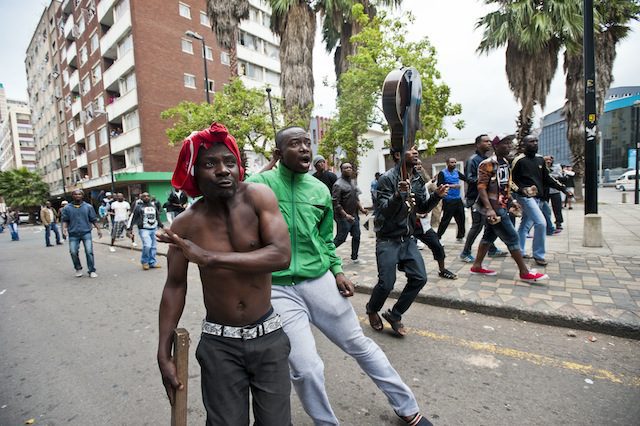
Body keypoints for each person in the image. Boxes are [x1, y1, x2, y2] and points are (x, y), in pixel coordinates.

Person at [248, 127, 434, 426]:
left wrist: (337, 271)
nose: (305, 149)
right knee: (306, 368)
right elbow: (228, 196)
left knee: (360, 345)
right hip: (279, 289)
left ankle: (407, 407)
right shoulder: (259, 186)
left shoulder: (319, 190)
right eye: (294, 144)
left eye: (307, 143)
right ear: (279, 153)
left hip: (319, 279)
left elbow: (324, 239)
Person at [157, 123, 292, 425]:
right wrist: (162, 349)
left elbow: (281, 255)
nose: (223, 170)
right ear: (194, 173)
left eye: (229, 162)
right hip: (220, 345)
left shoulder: (259, 197)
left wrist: (208, 257)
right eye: (210, 164)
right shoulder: (185, 224)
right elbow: (174, 286)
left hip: (268, 336)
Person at [366, 145, 447, 337]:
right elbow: (384, 210)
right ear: (397, 155)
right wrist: (397, 195)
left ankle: (395, 315)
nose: (416, 151)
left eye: (416, 148)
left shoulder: (417, 179)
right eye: (410, 149)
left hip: (407, 238)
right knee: (386, 284)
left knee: (420, 278)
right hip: (387, 239)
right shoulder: (387, 179)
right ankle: (372, 308)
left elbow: (421, 208)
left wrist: (436, 196)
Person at [469, 136, 548, 283]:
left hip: (502, 205)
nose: (509, 146)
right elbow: (481, 187)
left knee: (489, 236)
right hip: (495, 208)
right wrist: (489, 209)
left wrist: (512, 201)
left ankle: (477, 265)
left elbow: (505, 185)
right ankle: (524, 272)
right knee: (513, 238)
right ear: (496, 146)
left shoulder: (505, 163)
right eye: (506, 143)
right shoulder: (487, 164)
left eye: (510, 143)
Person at [512, 135, 572, 266]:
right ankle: (538, 255)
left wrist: (562, 188)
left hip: (539, 197)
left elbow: (548, 178)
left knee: (525, 225)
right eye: (531, 142)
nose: (534, 143)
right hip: (526, 198)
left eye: (536, 141)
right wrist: (520, 190)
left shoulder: (540, 159)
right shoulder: (519, 160)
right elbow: (511, 181)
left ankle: (519, 251)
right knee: (541, 223)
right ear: (524, 144)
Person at [460, 134, 505, 262]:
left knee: (489, 225)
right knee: (477, 226)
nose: (489, 143)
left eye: (490, 141)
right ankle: (465, 252)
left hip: (486, 198)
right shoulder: (473, 160)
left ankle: (491, 249)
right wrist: (486, 180)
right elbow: (469, 178)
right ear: (478, 144)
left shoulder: (486, 159)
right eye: (486, 141)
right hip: (476, 199)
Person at [61, 189, 102, 277]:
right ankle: (78, 268)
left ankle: (91, 270)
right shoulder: (67, 208)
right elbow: (65, 220)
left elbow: (93, 219)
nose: (78, 196)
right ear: (72, 196)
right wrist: (64, 229)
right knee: (73, 252)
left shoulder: (88, 207)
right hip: (73, 233)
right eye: (75, 194)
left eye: (79, 194)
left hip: (86, 232)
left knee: (89, 251)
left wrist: (99, 229)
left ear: (82, 196)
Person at [332, 162, 367, 264]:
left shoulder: (352, 182)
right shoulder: (338, 184)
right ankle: (326, 253)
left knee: (357, 236)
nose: (348, 169)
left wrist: (362, 209)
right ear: (341, 170)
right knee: (341, 238)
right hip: (343, 217)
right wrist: (345, 215)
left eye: (350, 167)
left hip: (354, 215)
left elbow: (356, 198)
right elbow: (336, 203)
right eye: (345, 168)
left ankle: (354, 257)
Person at [127, 192, 163, 270]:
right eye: (144, 196)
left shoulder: (153, 206)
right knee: (147, 245)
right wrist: (130, 229)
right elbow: (133, 218)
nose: (146, 197)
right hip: (144, 229)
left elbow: (157, 217)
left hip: (154, 229)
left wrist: (162, 226)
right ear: (141, 198)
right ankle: (145, 262)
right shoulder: (138, 207)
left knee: (153, 247)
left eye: (147, 196)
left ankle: (152, 262)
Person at [436, 157, 467, 241]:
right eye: (451, 162)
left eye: (455, 162)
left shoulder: (456, 172)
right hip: (448, 199)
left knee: (461, 218)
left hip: (458, 199)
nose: (453, 164)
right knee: (446, 219)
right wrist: (452, 186)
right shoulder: (442, 173)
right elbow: (439, 185)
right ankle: (438, 236)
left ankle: (460, 236)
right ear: (447, 163)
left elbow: (466, 179)